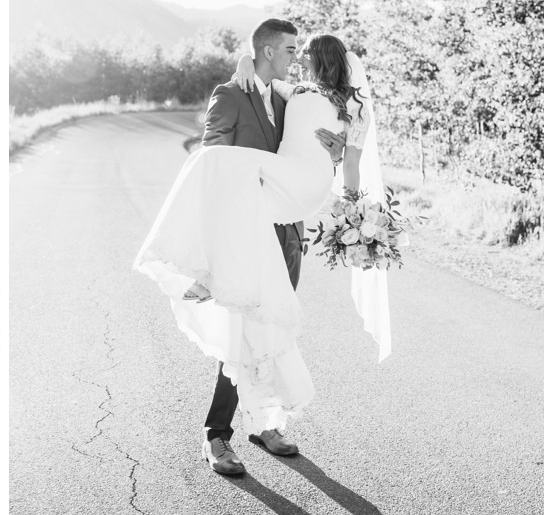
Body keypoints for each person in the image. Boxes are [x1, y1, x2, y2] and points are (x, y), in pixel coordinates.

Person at [135, 25, 383, 478]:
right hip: (245, 233)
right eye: (290, 50)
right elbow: (213, 165)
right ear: (269, 50)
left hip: (288, 232)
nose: (296, 58)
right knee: (240, 331)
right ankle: (217, 434)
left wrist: (340, 147)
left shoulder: (292, 97)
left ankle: (268, 424)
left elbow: (320, 134)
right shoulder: (233, 93)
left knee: (274, 329)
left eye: (300, 52)